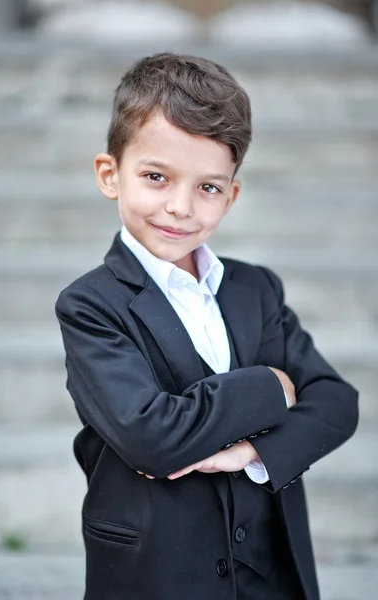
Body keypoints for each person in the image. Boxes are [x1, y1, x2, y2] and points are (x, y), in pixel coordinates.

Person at [55, 52, 359, 600]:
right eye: (155, 177)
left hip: (269, 575)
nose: (179, 207)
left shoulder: (255, 288)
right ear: (110, 175)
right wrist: (273, 386)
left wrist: (257, 453)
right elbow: (151, 435)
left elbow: (337, 401)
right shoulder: (90, 306)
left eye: (208, 187)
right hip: (156, 574)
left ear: (232, 195)